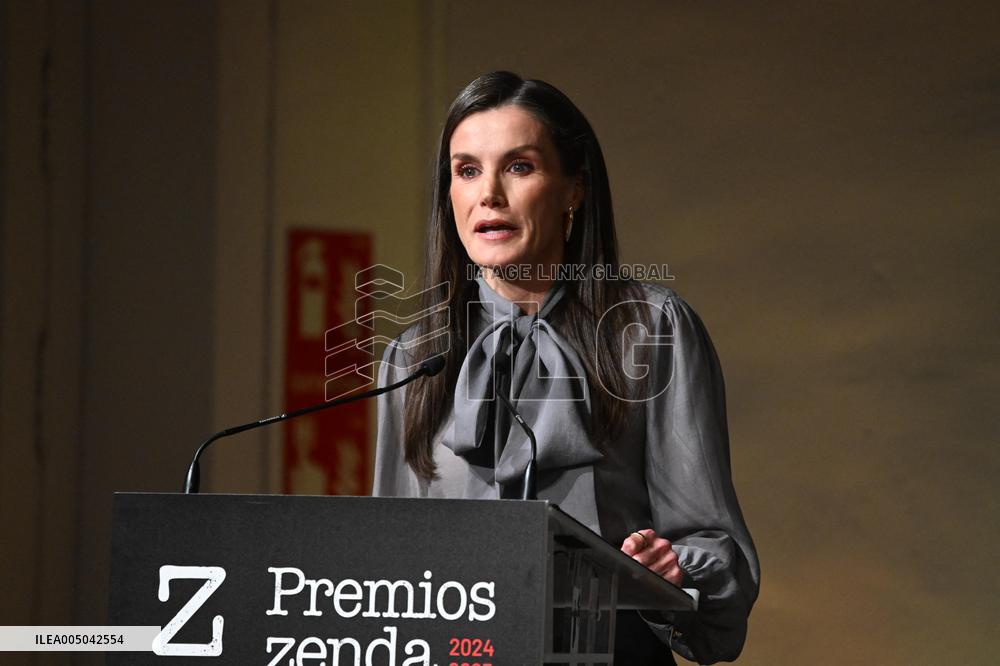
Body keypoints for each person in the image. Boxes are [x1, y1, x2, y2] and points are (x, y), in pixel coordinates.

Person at [374, 71, 759, 664]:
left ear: (574, 188)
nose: (489, 195)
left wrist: (671, 566)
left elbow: (713, 540)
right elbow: (386, 566)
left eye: (519, 167)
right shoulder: (414, 355)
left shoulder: (650, 332)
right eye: (467, 170)